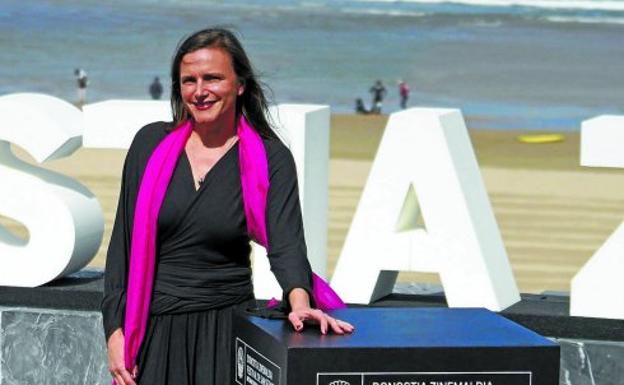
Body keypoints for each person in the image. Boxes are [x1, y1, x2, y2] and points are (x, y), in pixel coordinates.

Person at [101, 28, 353, 385]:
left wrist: (299, 301)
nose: (200, 91)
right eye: (189, 80)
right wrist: (114, 331)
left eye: (213, 78)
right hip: (151, 334)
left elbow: (287, 245)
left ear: (239, 85)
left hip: (226, 333)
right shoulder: (149, 144)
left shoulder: (270, 157)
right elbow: (122, 249)